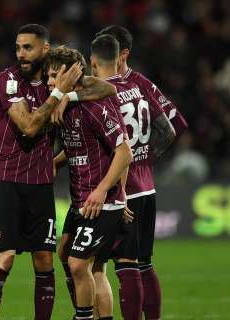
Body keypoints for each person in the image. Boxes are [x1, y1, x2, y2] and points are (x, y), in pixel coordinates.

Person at [0, 24, 116, 320]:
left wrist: (71, 96)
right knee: (4, 257)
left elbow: (109, 88)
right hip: (5, 179)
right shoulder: (9, 80)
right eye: (18, 48)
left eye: (28, 48)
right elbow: (28, 126)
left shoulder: (54, 79)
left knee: (44, 260)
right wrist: (60, 94)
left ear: (45, 49)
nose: (21, 54)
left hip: (39, 182)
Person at [96, 25, 188, 320]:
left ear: (122, 54)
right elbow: (172, 128)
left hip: (127, 189)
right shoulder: (138, 86)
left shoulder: (110, 89)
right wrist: (146, 159)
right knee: (144, 263)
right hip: (147, 186)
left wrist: (134, 161)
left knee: (122, 264)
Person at [49, 45, 133, 320]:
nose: (50, 82)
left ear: (72, 75)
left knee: (77, 264)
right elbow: (80, 146)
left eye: (54, 76)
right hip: (80, 200)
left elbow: (124, 152)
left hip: (100, 202)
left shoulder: (94, 106)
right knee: (80, 262)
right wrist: (55, 164)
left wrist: (104, 191)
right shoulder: (67, 104)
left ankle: (83, 317)